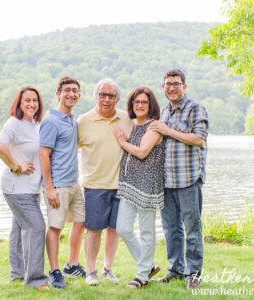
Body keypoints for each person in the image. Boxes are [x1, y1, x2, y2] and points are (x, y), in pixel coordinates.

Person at [150, 69, 209, 290]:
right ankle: (175, 270)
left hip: (189, 178)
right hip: (167, 181)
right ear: (163, 87)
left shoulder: (195, 108)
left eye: (176, 83)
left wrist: (168, 130)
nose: (172, 87)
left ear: (184, 86)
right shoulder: (164, 111)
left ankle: (193, 275)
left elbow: (198, 139)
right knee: (171, 229)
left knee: (192, 230)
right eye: (168, 84)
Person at [77, 78, 133, 285]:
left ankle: (107, 269)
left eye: (111, 96)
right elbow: (67, 149)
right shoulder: (84, 121)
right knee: (93, 230)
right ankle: (90, 272)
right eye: (102, 95)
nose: (106, 99)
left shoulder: (127, 119)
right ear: (96, 97)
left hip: (122, 185)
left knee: (115, 229)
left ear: (118, 98)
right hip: (95, 185)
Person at [0, 86, 49, 291]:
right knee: (36, 227)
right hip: (17, 188)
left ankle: (17, 274)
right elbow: (0, 145)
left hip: (29, 188)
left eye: (35, 100)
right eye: (27, 100)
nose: (31, 104)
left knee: (19, 229)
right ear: (19, 103)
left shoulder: (34, 124)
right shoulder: (14, 123)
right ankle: (35, 280)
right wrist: (16, 165)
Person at [113, 87, 164, 289]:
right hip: (129, 184)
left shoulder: (154, 127)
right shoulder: (135, 125)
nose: (140, 105)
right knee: (123, 229)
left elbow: (142, 152)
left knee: (146, 231)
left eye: (144, 102)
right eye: (136, 102)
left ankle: (142, 274)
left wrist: (121, 141)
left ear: (150, 104)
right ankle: (149, 265)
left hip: (147, 184)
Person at [39, 76, 85, 289]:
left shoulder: (72, 120)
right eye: (66, 90)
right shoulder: (50, 121)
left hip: (74, 184)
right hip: (58, 185)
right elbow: (43, 154)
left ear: (79, 95)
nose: (71, 94)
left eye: (74, 90)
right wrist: (50, 188)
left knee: (81, 220)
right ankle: (54, 271)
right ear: (58, 94)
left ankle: (71, 264)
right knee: (55, 227)